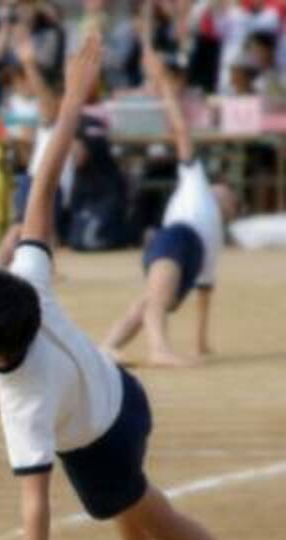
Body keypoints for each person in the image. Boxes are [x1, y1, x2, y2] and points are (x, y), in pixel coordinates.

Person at [0, 34, 252, 540]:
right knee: (119, 495)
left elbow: (34, 506)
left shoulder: (23, 397)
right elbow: (43, 185)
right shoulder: (30, 281)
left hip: (102, 433)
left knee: (139, 503)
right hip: (121, 391)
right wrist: (73, 102)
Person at [102, 47, 235, 368]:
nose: (226, 193)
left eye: (230, 197)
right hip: (177, 237)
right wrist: (164, 85)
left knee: (147, 303)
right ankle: (158, 348)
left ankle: (107, 345)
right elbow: (182, 133)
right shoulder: (196, 185)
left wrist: (202, 343)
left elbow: (206, 290)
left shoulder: (215, 235)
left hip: (187, 253)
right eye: (226, 191)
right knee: (157, 300)